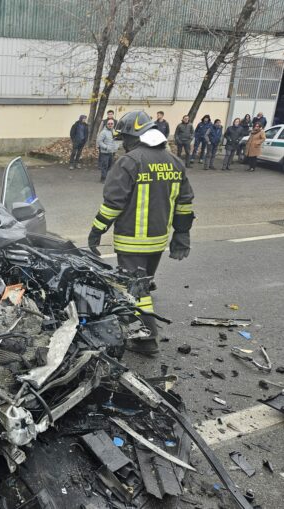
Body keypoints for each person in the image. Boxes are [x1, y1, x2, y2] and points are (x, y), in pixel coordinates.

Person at [88, 111, 194, 354]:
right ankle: (139, 328)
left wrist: (97, 230)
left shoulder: (129, 162)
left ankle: (146, 340)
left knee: (137, 292)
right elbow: (185, 203)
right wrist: (182, 234)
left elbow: (112, 204)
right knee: (143, 285)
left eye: (125, 136)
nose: (124, 142)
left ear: (135, 136)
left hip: (132, 242)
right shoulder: (174, 161)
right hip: (158, 242)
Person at [97, 118, 117, 182]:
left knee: (109, 166)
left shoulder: (114, 131)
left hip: (111, 152)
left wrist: (115, 147)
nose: (110, 125)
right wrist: (106, 147)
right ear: (106, 124)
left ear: (113, 124)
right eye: (109, 124)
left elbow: (115, 141)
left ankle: (107, 178)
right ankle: (103, 178)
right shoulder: (103, 132)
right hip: (105, 152)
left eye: (111, 124)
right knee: (104, 166)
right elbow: (99, 142)